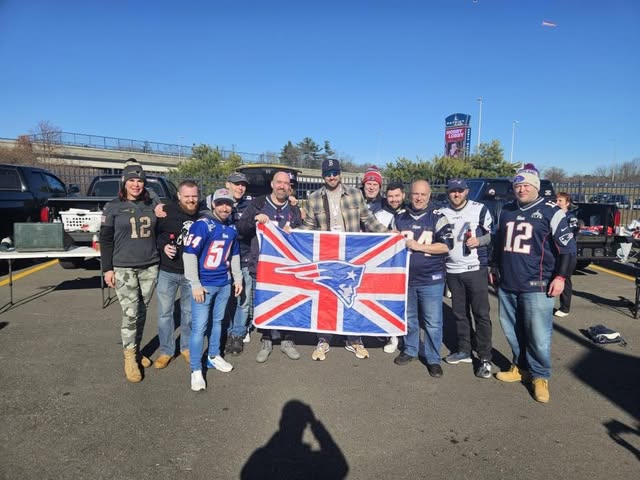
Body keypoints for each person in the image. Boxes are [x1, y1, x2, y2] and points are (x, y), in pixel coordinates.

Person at [492, 166, 576, 403]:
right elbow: (498, 242)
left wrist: (560, 277)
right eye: (518, 185)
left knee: (538, 336)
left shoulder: (551, 211)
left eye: (526, 185)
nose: (521, 189)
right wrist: (494, 266)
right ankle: (521, 367)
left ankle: (540, 376)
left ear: (536, 187)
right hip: (508, 283)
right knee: (512, 331)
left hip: (537, 284)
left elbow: (568, 249)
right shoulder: (506, 210)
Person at [300, 158, 388, 360]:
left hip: (351, 254)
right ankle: (324, 339)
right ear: (323, 176)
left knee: (351, 296)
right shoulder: (314, 197)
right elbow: (309, 226)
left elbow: (368, 220)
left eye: (335, 173)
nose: (332, 177)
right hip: (326, 253)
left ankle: (354, 339)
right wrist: (289, 233)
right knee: (326, 296)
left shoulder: (355, 194)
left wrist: (389, 233)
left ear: (340, 173)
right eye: (328, 174)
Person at [236, 171, 304, 363]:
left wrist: (295, 230)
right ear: (272, 184)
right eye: (279, 182)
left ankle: (287, 340)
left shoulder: (293, 208)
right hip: (263, 266)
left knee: (287, 303)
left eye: (286, 183)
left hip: (287, 267)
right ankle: (266, 340)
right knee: (264, 303)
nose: (282, 186)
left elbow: (302, 234)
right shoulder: (258, 204)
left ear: (290, 187)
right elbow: (241, 229)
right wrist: (255, 219)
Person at [100, 164, 159, 383]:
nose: (136, 184)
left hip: (149, 265)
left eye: (140, 181)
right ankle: (129, 357)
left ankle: (137, 349)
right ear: (124, 182)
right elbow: (105, 239)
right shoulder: (113, 206)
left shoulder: (152, 204)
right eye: (132, 180)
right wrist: (107, 268)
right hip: (124, 266)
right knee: (131, 312)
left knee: (142, 311)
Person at [183, 188, 243, 392]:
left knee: (218, 322)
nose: (225, 208)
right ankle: (195, 369)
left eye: (228, 204)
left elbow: (234, 254)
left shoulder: (231, 227)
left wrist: (238, 278)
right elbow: (189, 254)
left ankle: (213, 355)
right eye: (220, 203)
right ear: (213, 204)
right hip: (205, 285)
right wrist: (195, 284)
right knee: (199, 327)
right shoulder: (202, 225)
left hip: (224, 282)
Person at [392, 180, 453, 377]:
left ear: (429, 196)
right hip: (406, 278)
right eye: (415, 194)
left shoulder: (438, 217)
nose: (419, 198)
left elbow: (446, 246)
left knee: (433, 322)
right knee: (410, 318)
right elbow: (388, 242)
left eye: (423, 194)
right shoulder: (399, 217)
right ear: (409, 195)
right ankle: (410, 349)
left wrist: (419, 246)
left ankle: (433, 358)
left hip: (431, 279)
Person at [439, 178, 493, 378]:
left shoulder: (479, 209)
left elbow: (493, 234)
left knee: (481, 314)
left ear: (467, 191)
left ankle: (485, 357)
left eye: (460, 190)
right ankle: (464, 350)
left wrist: (479, 240)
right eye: (453, 191)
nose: (456, 194)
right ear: (448, 192)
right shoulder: (441, 212)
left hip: (475, 268)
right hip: (452, 270)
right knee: (459, 314)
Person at [153, 180, 201, 369]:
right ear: (179, 196)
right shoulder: (166, 211)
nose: (191, 200)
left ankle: (186, 347)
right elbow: (155, 235)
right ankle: (166, 351)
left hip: (191, 273)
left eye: (194, 196)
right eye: (187, 196)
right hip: (168, 271)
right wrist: (163, 246)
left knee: (188, 314)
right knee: (165, 314)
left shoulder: (203, 213)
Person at [223, 172, 254, 355]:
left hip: (244, 259)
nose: (240, 187)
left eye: (243, 184)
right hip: (223, 263)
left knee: (243, 300)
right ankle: (228, 333)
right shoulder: (217, 202)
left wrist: (292, 201)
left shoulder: (251, 205)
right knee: (226, 300)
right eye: (236, 184)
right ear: (228, 184)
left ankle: (238, 334)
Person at [374, 181, 406, 354]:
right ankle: (392, 337)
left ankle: (409, 340)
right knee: (390, 303)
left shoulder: (410, 213)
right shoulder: (379, 215)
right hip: (387, 266)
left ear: (403, 195)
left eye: (397, 196)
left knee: (408, 306)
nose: (394, 199)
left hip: (407, 265)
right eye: (391, 196)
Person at [554, 192, 579, 318]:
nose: (557, 203)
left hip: (568, 252)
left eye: (560, 201)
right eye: (556, 200)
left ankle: (565, 307)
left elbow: (571, 231)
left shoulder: (570, 217)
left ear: (567, 203)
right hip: (555, 251)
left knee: (564, 278)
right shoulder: (553, 215)